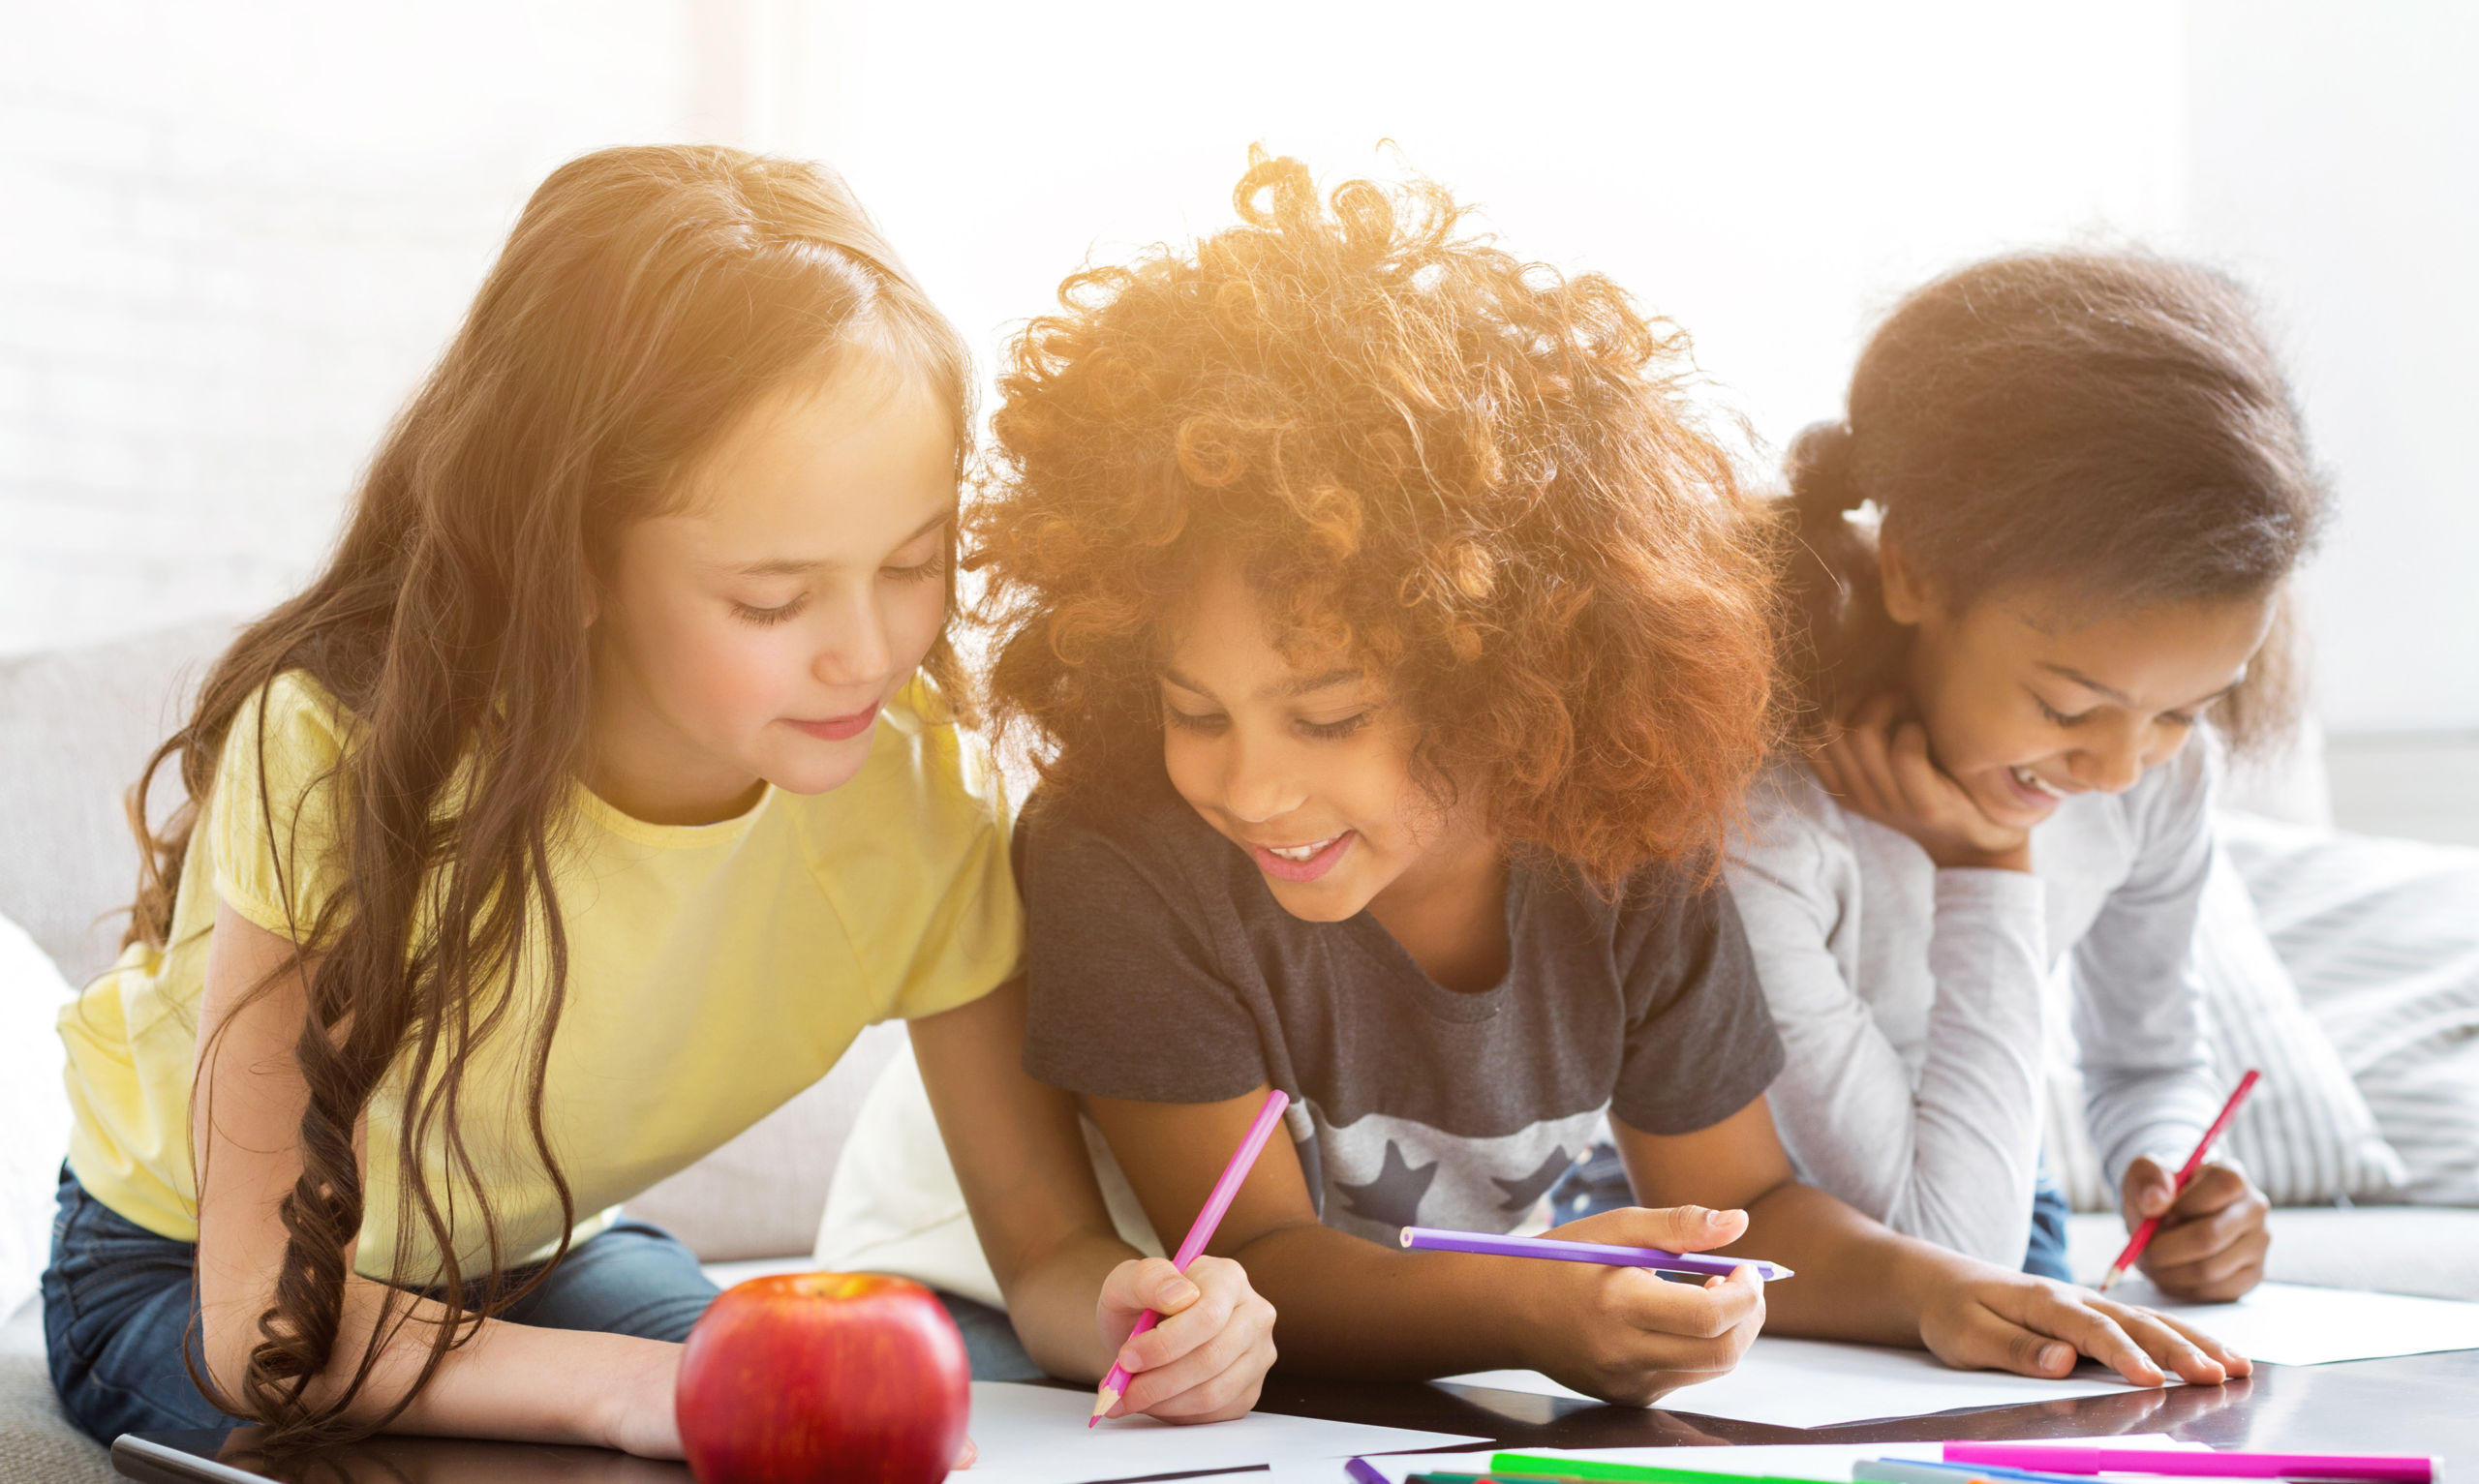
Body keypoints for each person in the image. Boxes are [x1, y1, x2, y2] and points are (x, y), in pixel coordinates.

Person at [958, 153, 2248, 1406]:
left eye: (1330, 714)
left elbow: (1755, 1203)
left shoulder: (1623, 842)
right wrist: (1535, 1306)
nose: (1245, 783)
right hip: (1064, 1350)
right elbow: (1255, 1263)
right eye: (1194, 709)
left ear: (1503, 671)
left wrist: (1939, 1291)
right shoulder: (1127, 853)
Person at [44, 145, 1272, 1460]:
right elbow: (256, 1325)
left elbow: (1042, 1255)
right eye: (771, 598)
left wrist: (1148, 1318)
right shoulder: (341, 750)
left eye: (915, 563)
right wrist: (636, 1390)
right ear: (564, 559)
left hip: (536, 1258)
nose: (867, 650)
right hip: (184, 1275)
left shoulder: (918, 792)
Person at [1725, 251, 2314, 1297]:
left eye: (2183, 710)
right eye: (2067, 707)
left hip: (1995, 1191)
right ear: (1914, 569)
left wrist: (2178, 1167)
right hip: (1746, 1231)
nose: (2117, 766)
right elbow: (1946, 1249)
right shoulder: (1767, 813)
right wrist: (1986, 862)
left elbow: (2146, 1060)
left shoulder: (2158, 784)